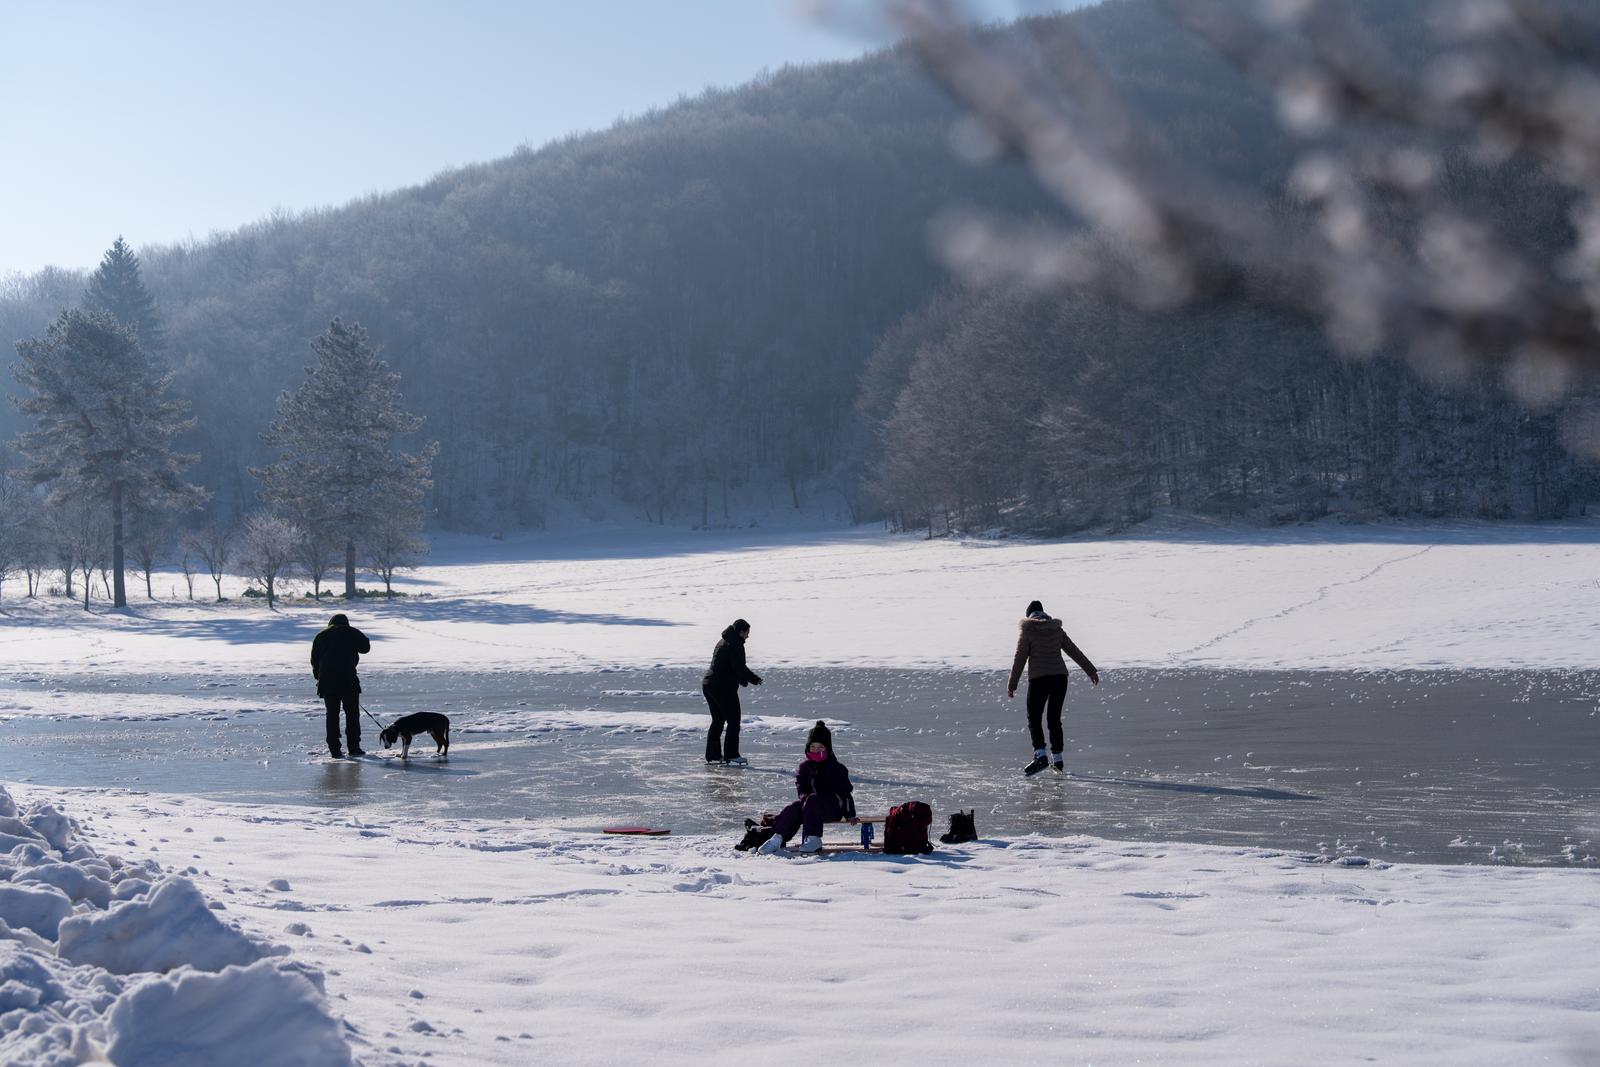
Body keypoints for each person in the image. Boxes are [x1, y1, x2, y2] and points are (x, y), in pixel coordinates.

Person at [1007, 599, 1099, 776]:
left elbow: (1020, 658)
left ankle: (1040, 755)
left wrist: (1012, 685)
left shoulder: (1027, 630)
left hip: (1039, 679)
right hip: (1059, 678)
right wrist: (1090, 670)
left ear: (1029, 615)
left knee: (1034, 716)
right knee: (1054, 718)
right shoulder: (1055, 628)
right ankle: (1058, 759)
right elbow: (1073, 650)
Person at [759, 721, 857, 854]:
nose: (816, 750)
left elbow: (845, 793)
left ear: (827, 748)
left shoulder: (837, 768)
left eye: (820, 747)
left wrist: (850, 814)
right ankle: (778, 838)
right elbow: (801, 788)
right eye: (813, 746)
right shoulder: (805, 767)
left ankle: (814, 839)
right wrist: (804, 800)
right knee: (794, 807)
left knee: (812, 800)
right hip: (810, 808)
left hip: (832, 809)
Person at [702, 618, 762, 765]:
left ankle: (713, 755)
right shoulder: (735, 644)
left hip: (709, 684)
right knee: (734, 720)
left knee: (718, 720)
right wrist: (754, 679)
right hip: (723, 688)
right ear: (741, 632)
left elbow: (729, 665)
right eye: (747, 633)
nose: (748, 636)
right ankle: (731, 754)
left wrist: (743, 679)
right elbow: (739, 667)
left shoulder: (724, 641)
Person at [311, 613, 371, 758]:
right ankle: (354, 747)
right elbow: (365, 648)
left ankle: (334, 749)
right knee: (352, 714)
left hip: (328, 681)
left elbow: (314, 660)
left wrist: (319, 677)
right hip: (348, 679)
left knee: (332, 715)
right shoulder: (351, 632)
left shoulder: (321, 635)